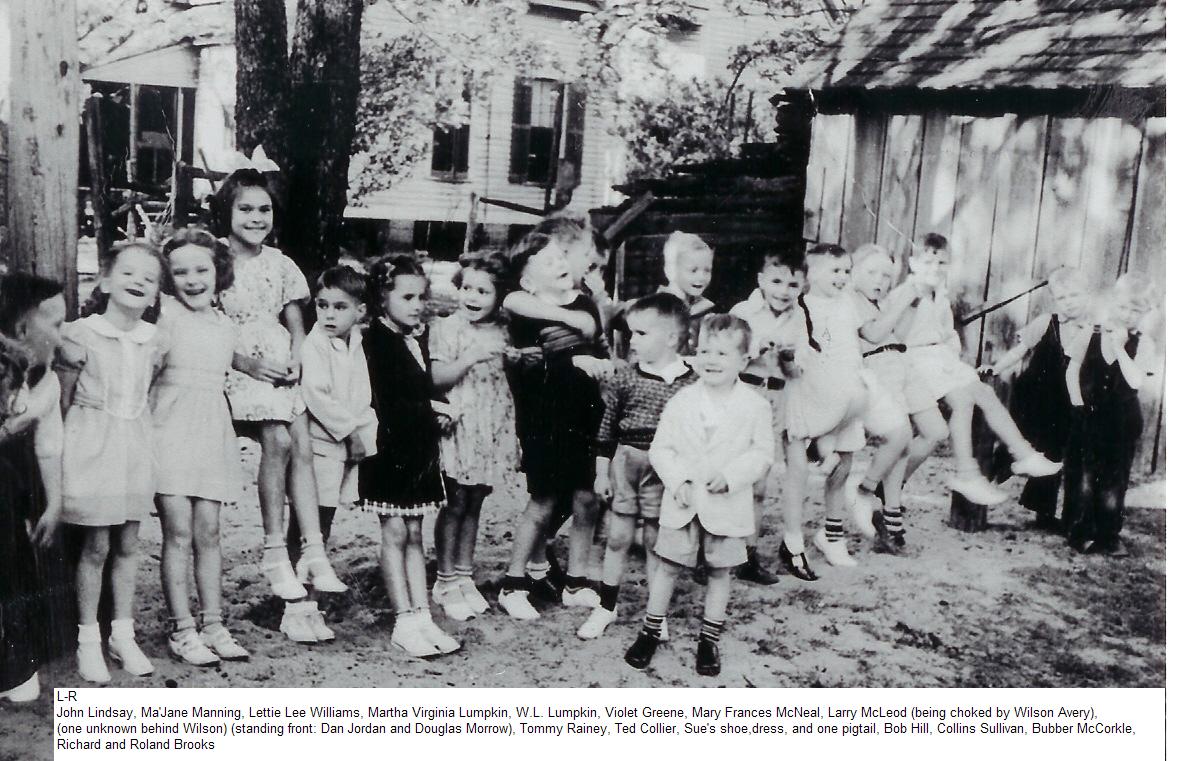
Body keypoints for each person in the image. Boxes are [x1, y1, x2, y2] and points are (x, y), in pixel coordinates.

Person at [212, 167, 343, 644]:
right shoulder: (214, 257)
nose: (256, 218)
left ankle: (313, 550)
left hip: (279, 362)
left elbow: (296, 324)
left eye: (264, 209)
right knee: (279, 439)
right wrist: (247, 363)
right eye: (245, 209)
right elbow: (206, 323)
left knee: (302, 445)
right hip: (237, 364)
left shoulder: (281, 263)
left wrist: (296, 358)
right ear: (226, 211)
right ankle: (273, 549)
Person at [624, 314, 773, 677]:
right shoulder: (683, 400)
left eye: (722, 353)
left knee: (720, 572)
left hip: (726, 504)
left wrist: (733, 477)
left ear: (743, 360)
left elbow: (762, 454)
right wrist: (678, 482)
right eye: (705, 351)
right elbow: (662, 449)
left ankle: (709, 639)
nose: (711, 360)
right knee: (667, 566)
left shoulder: (755, 405)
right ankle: (650, 631)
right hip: (685, 502)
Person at [57, 243, 165, 682]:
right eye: (128, 273)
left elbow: (146, 394)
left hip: (134, 447)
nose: (138, 282)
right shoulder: (80, 334)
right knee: (96, 546)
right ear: (104, 281)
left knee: (128, 545)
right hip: (91, 446)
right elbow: (63, 401)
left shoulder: (155, 340)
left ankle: (123, 634)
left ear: (156, 294)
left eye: (149, 279)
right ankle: (88, 639)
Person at [892, 233, 1062, 505]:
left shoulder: (939, 294)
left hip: (941, 357)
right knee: (962, 401)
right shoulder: (907, 293)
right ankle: (966, 473)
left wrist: (953, 352)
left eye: (941, 263)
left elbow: (946, 332)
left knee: (984, 393)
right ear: (913, 264)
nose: (935, 269)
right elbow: (897, 335)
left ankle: (1023, 454)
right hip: (917, 359)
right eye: (927, 263)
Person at [153, 228, 251, 666]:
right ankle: (182, 629)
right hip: (169, 431)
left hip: (211, 434)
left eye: (201, 270)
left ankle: (213, 623)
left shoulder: (225, 325)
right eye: (180, 272)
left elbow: (228, 370)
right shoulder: (165, 315)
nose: (192, 280)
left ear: (218, 271)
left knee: (209, 532)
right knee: (177, 532)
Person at [498, 232, 607, 620]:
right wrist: (566, 332)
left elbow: (591, 334)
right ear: (528, 280)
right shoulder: (522, 309)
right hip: (544, 417)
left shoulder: (585, 303)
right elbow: (535, 360)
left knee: (586, 498)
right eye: (547, 261)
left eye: (560, 255)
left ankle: (575, 582)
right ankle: (513, 584)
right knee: (543, 500)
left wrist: (592, 360)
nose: (560, 263)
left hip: (586, 412)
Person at [359, 255, 461, 658]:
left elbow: (420, 389)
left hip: (417, 449)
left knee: (416, 532)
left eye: (421, 297)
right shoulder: (374, 342)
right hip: (388, 450)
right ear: (382, 298)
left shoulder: (416, 338)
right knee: (395, 532)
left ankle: (422, 615)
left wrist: (436, 406)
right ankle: (403, 618)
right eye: (407, 297)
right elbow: (385, 399)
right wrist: (431, 411)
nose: (417, 305)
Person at [579, 293, 695, 640]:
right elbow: (606, 429)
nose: (632, 341)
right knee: (617, 537)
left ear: (671, 338)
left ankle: (655, 614)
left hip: (665, 470)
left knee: (654, 540)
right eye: (631, 333)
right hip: (626, 463)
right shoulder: (625, 377)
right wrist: (601, 472)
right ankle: (606, 606)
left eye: (642, 333)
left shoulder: (691, 383)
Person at [429, 251, 519, 622]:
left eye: (483, 291)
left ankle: (464, 575)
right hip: (460, 422)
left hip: (491, 424)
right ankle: (444, 579)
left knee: (476, 500)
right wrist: (471, 357)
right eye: (467, 288)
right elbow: (437, 378)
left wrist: (517, 359)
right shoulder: (447, 327)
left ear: (499, 296)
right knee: (455, 501)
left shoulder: (504, 330)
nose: (472, 297)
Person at [778, 244, 875, 578]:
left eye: (847, 271)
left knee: (843, 466)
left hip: (845, 389)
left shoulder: (849, 302)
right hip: (813, 389)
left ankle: (832, 536)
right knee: (799, 472)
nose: (842, 277)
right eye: (835, 270)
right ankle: (792, 541)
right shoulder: (802, 305)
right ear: (813, 273)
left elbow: (867, 335)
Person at [849, 244, 947, 553]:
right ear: (854, 271)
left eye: (886, 276)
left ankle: (878, 485)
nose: (880, 281)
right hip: (878, 365)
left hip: (902, 361)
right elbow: (874, 335)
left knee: (936, 431)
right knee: (901, 439)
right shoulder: (850, 299)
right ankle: (885, 509)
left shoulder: (880, 302)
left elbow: (899, 335)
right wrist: (903, 299)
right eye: (872, 273)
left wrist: (913, 304)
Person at [296, 265, 378, 632]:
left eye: (340, 307)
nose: (329, 314)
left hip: (344, 444)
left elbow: (360, 393)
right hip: (321, 444)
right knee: (310, 522)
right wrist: (350, 432)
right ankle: (299, 603)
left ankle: (312, 600)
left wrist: (360, 431)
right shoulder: (315, 344)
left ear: (360, 310)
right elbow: (317, 395)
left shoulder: (355, 341)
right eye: (322, 305)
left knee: (324, 522)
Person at [0, 273, 67, 702]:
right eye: (56, 325)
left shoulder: (45, 380)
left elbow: (50, 443)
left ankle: (16, 662)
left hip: (10, 487)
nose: (63, 336)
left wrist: (54, 502)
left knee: (16, 561)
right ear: (23, 329)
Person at [984, 267, 1090, 530]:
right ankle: (986, 481)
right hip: (1032, 398)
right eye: (1063, 297)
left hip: (1063, 403)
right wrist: (995, 368)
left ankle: (1042, 511)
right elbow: (1019, 351)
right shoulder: (1046, 322)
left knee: (1053, 453)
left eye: (1075, 295)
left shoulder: (1090, 330)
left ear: (1086, 295)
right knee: (1017, 442)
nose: (1069, 302)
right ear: (1055, 299)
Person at [1062, 275, 1156, 554]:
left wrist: (1118, 347)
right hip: (1088, 417)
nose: (1127, 315)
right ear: (1113, 303)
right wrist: (1077, 403)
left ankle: (1109, 534)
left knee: (1115, 480)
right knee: (1084, 476)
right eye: (1123, 307)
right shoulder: (1091, 333)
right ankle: (1080, 530)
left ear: (1145, 313)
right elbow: (1072, 369)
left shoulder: (1144, 344)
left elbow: (1135, 381)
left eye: (1135, 310)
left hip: (1122, 423)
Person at [727, 250, 806, 584]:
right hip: (742, 395)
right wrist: (755, 348)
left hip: (774, 400)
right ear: (761, 280)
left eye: (793, 285)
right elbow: (725, 358)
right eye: (776, 281)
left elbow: (797, 372)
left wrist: (788, 358)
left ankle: (748, 555)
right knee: (728, 476)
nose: (784, 291)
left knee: (759, 483)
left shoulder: (800, 318)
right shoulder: (742, 313)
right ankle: (710, 554)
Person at [656, 231, 716, 353]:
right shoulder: (658, 308)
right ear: (671, 271)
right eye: (693, 270)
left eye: (707, 270)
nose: (701, 277)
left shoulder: (705, 309)